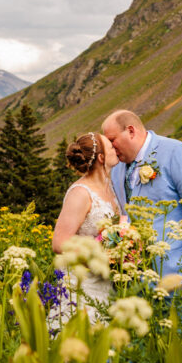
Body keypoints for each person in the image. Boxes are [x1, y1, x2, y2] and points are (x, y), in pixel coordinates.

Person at [102, 109, 182, 278]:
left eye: (112, 140)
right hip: (138, 279)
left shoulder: (176, 152)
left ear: (131, 131)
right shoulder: (116, 168)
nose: (111, 148)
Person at [49, 131, 120, 324]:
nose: (116, 148)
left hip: (108, 282)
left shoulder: (112, 187)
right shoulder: (80, 193)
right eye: (111, 146)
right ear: (101, 157)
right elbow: (59, 243)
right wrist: (101, 256)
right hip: (84, 282)